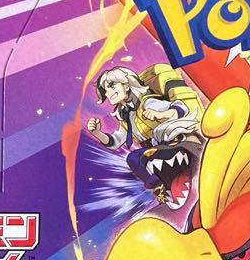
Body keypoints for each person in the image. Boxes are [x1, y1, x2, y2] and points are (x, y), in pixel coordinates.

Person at [86, 64, 203, 207]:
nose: (109, 92)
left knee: (137, 157)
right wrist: (97, 133)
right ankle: (160, 187)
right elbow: (115, 141)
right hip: (159, 150)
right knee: (134, 158)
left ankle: (160, 186)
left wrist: (160, 114)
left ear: (126, 86)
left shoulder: (147, 103)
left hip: (177, 145)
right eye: (105, 90)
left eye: (112, 86)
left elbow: (180, 108)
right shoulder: (126, 116)